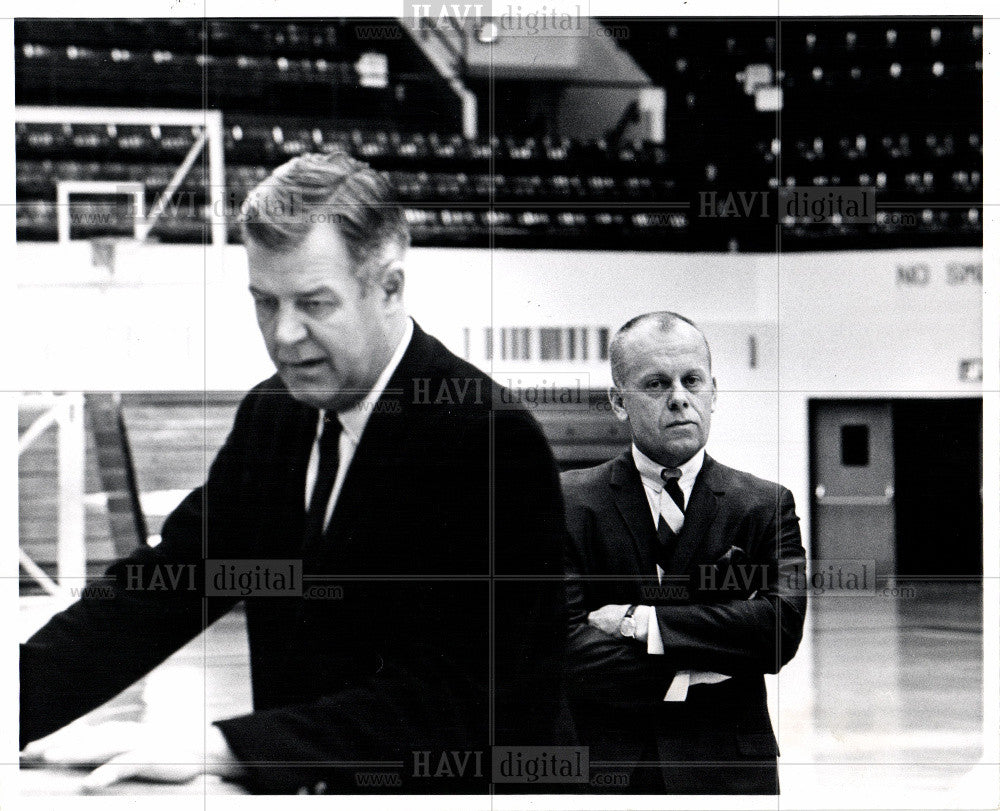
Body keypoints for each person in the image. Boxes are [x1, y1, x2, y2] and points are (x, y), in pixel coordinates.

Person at [20, 151, 573, 794]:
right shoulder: (273, 417)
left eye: (313, 303)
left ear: (389, 287)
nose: (284, 334)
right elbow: (162, 589)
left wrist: (226, 745)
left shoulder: (487, 439)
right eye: (264, 302)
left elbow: (466, 698)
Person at [561, 311, 807, 794]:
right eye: (656, 384)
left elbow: (780, 629)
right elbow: (563, 646)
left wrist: (644, 623)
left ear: (713, 392)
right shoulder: (569, 502)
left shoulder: (764, 504)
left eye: (692, 380)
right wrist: (710, 659)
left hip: (729, 768)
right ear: (618, 401)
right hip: (607, 770)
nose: (679, 398)